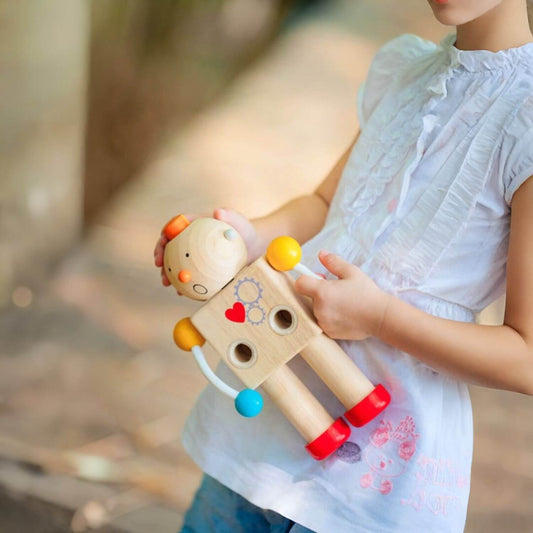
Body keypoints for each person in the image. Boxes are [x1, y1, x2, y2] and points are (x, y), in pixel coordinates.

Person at [154, 0, 533, 531]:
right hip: (264, 433)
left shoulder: (527, 120)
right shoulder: (405, 71)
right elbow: (327, 204)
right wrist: (243, 236)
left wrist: (380, 318)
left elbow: (526, 356)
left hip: (374, 487)